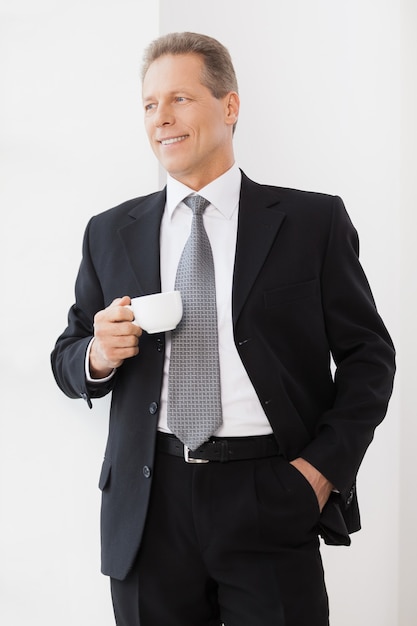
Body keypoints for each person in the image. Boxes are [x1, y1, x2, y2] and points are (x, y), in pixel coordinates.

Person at [51, 32, 395, 626]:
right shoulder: (108, 232)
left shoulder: (313, 222)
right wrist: (97, 356)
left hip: (269, 492)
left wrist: (319, 474)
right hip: (148, 504)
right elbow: (67, 358)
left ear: (229, 106)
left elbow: (370, 357)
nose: (162, 119)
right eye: (150, 105)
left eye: (179, 98)